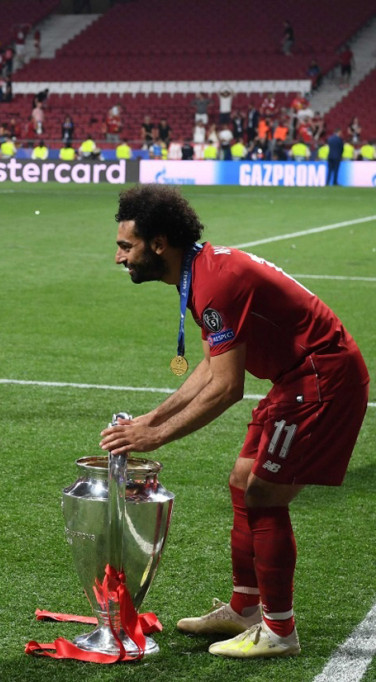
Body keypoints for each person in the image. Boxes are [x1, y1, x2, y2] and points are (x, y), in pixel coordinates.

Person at [102, 185, 368, 659]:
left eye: (126, 246)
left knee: (264, 494)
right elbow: (209, 367)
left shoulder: (215, 281)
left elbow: (228, 387)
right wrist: (153, 416)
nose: (118, 258)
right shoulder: (200, 271)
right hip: (294, 378)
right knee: (242, 481)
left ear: (159, 243)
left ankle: (279, 631)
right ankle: (246, 608)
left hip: (321, 377)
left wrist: (156, 436)